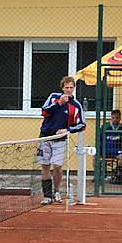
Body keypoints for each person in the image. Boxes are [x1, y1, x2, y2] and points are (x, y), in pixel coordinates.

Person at [37, 76, 86, 204]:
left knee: (57, 166)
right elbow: (44, 112)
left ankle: (57, 190)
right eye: (66, 88)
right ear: (62, 88)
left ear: (74, 88)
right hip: (46, 136)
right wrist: (59, 103)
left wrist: (68, 130)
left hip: (60, 140)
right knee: (45, 166)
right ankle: (47, 196)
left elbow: (82, 125)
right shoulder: (53, 97)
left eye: (71, 88)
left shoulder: (76, 106)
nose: (68, 90)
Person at [102, 109, 122, 183]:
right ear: (111, 118)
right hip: (105, 149)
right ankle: (99, 175)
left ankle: (117, 175)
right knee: (95, 156)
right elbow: (99, 138)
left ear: (120, 118)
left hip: (116, 150)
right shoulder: (105, 126)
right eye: (113, 118)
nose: (115, 120)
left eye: (117, 118)